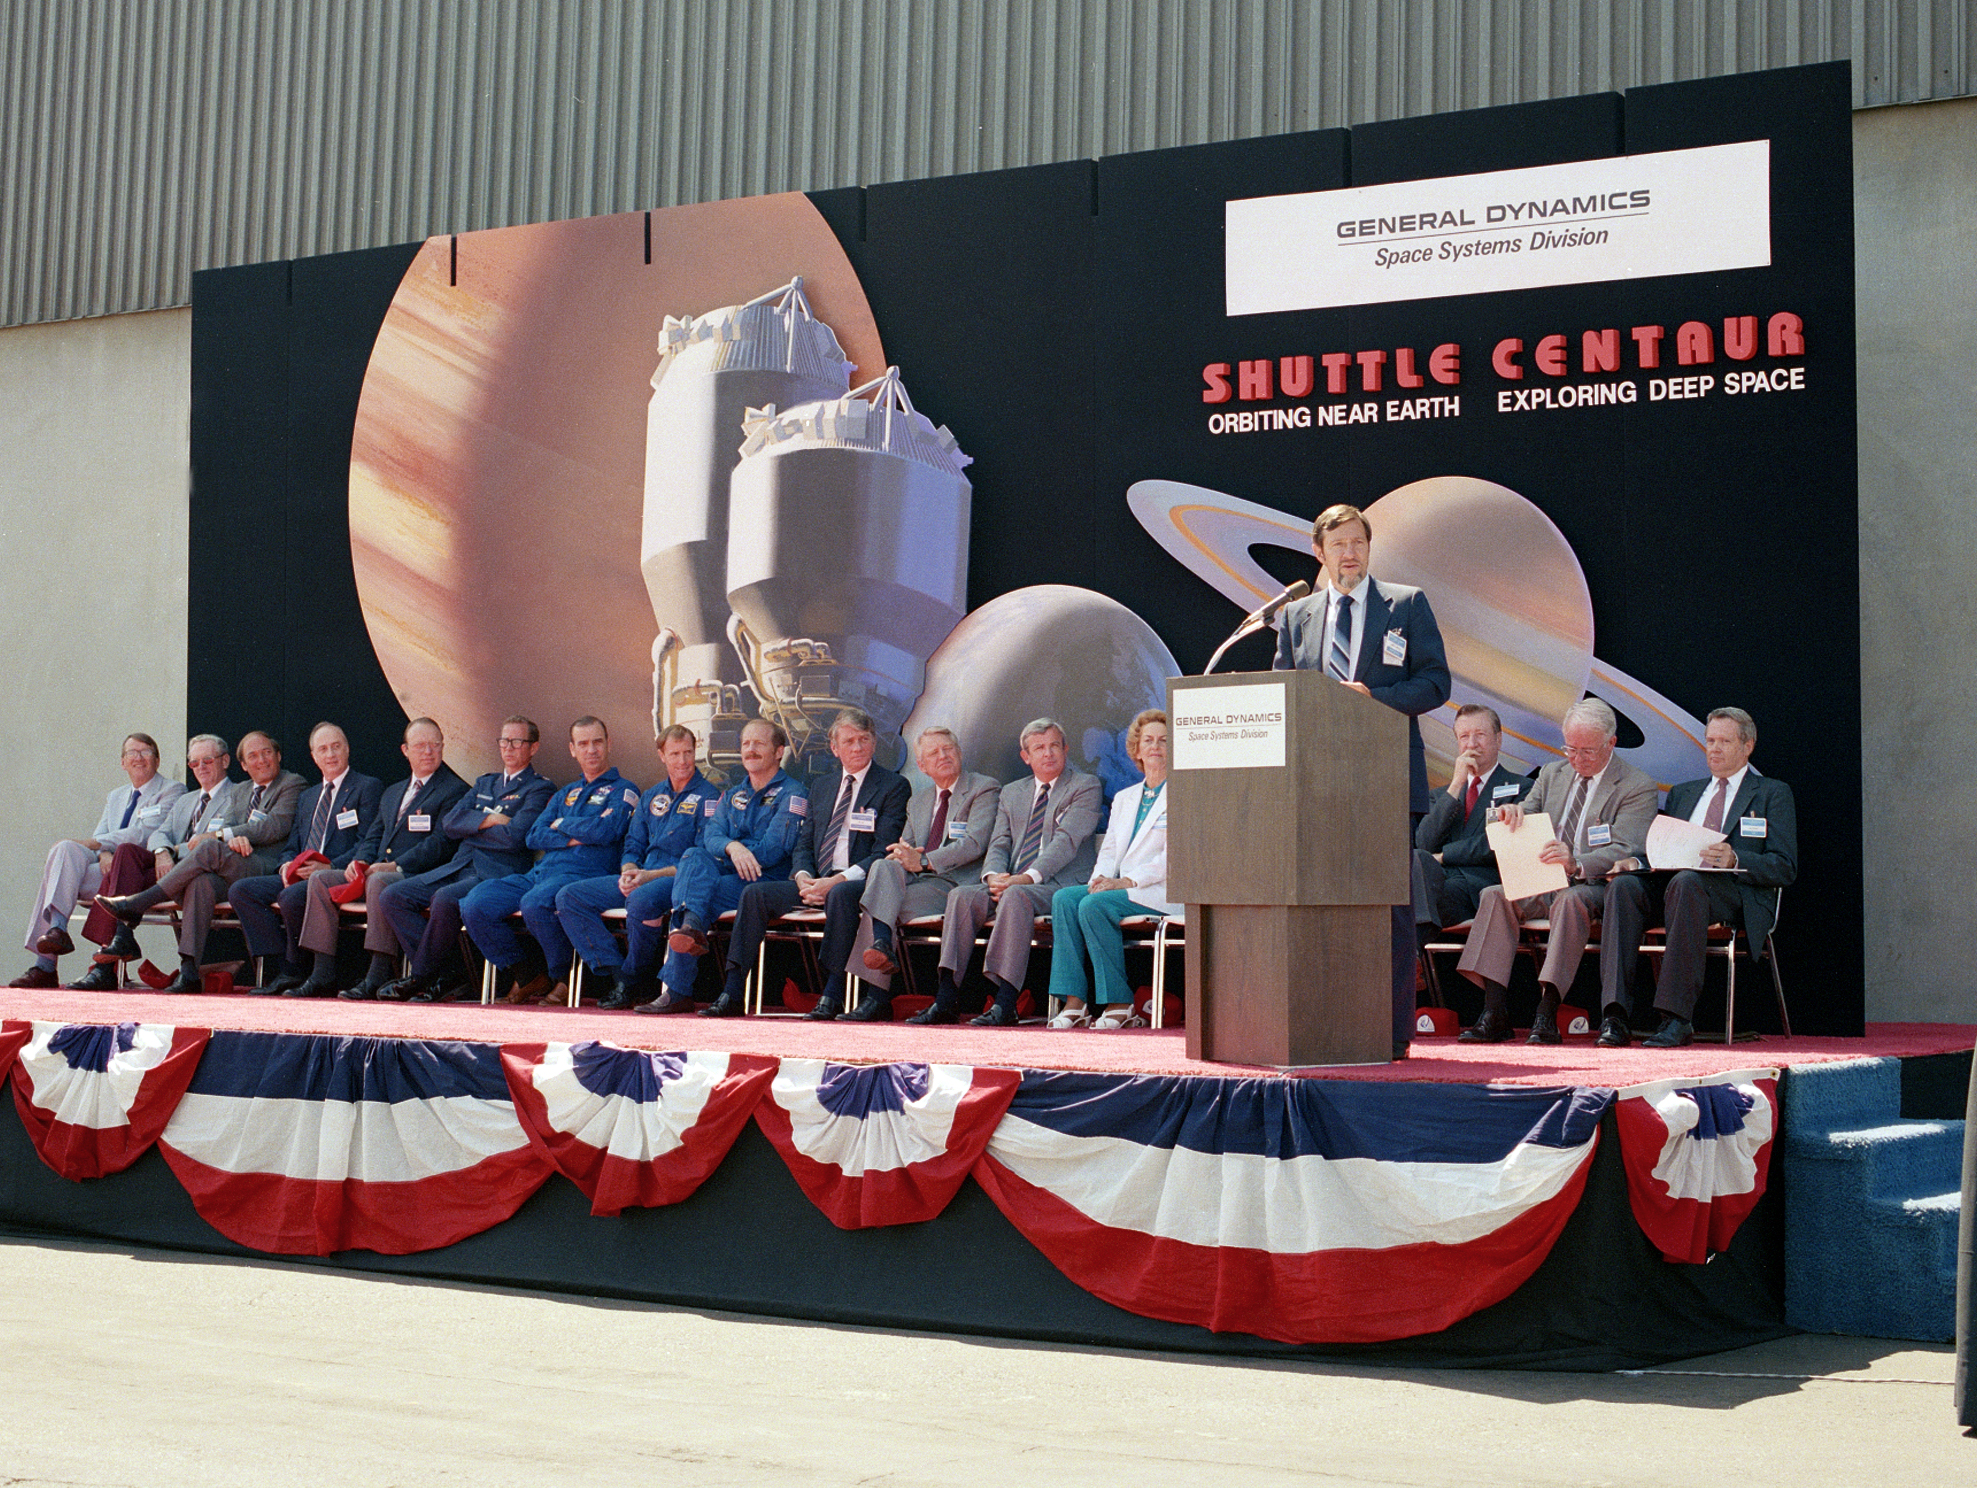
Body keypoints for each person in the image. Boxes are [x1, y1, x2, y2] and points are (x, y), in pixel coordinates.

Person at [1273, 502, 1451, 1059]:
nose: (1350, 554)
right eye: (1340, 545)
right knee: (1319, 905)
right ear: (1318, 552)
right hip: (1315, 783)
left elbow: (1436, 683)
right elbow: (1285, 690)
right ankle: (1325, 1021)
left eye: (1359, 543)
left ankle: (1392, 1031)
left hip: (1385, 778)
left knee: (1387, 908)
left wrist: (1374, 699)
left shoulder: (1405, 603)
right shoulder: (1295, 614)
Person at [1454, 698, 1658, 1044]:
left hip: (1592, 883)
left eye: (1587, 752)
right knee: (1494, 894)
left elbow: (1628, 848)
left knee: (1570, 900)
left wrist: (1576, 860)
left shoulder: (1636, 786)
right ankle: (1494, 1010)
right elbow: (1527, 809)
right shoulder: (1552, 773)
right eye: (1570, 749)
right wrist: (1512, 813)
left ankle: (1547, 1010)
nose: (1576, 759)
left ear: (1611, 742)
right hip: (1543, 878)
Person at [1597, 707, 1798, 1048]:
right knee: (1625, 886)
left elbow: (1784, 866)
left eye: (1724, 741)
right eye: (1709, 741)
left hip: (1732, 892)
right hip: (1675, 887)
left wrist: (1736, 857)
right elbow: (1663, 849)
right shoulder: (1683, 793)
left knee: (1687, 883)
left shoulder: (1771, 793)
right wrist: (1633, 861)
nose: (1714, 749)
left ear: (1747, 746)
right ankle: (1615, 1017)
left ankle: (1677, 1018)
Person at [712, 708, 909, 1022]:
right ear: (835, 748)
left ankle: (831, 993)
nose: (857, 747)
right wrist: (803, 876)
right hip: (814, 880)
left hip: (859, 881)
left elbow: (883, 851)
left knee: (840, 896)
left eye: (863, 739)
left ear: (873, 743)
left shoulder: (893, 786)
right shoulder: (821, 786)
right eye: (849, 741)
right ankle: (733, 990)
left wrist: (837, 881)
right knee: (754, 895)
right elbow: (805, 842)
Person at [914, 717, 1101, 1028]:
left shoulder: (1085, 786)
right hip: (1011, 881)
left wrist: (1025, 878)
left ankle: (1005, 1002)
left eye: (1055, 745)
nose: (1048, 753)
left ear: (1066, 749)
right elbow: (999, 842)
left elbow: (1066, 842)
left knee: (1016, 896)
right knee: (962, 895)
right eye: (1039, 748)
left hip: (1058, 885)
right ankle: (946, 999)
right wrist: (993, 876)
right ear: (1025, 756)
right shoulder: (1013, 792)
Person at [95, 731, 305, 993]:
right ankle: (189, 970)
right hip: (230, 864)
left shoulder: (292, 783)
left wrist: (225, 835)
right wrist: (228, 837)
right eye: (253, 756)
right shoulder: (240, 792)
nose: (260, 760)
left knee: (207, 846)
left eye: (266, 753)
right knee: (201, 883)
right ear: (243, 764)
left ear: (278, 756)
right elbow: (227, 825)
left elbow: (275, 826)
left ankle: (139, 903)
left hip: (263, 866)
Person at [279, 717, 469, 1000]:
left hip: (419, 874)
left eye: (434, 745)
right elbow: (373, 837)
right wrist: (359, 862)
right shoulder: (393, 792)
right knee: (320, 879)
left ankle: (378, 974)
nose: (427, 751)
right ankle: (322, 973)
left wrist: (396, 865)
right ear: (405, 750)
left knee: (379, 881)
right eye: (420, 745)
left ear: (443, 748)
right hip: (379, 868)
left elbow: (440, 844)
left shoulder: (454, 790)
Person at [374, 718, 554, 1003]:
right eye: (504, 741)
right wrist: (491, 819)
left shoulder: (539, 788)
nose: (508, 748)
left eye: (517, 742)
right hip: (460, 865)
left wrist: (473, 828)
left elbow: (516, 837)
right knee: (392, 896)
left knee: (445, 899)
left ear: (533, 748)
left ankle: (420, 977)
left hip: (497, 873)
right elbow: (450, 823)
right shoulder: (486, 782)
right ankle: (447, 975)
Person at [462, 716, 639, 1006]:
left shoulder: (624, 790)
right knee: (475, 903)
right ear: (572, 749)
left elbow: (608, 830)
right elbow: (533, 836)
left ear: (609, 744)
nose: (591, 750)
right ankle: (528, 972)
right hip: (541, 873)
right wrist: (578, 829)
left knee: (535, 903)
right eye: (583, 744)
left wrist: (561, 824)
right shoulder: (565, 793)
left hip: (583, 874)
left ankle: (564, 977)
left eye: (597, 742)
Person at [647, 718, 808, 1017]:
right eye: (746, 744)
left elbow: (775, 848)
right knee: (693, 856)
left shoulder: (793, 793)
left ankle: (678, 989)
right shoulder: (733, 793)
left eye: (759, 743)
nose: (750, 749)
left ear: (779, 751)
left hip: (762, 879)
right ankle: (691, 929)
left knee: (692, 896)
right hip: (729, 871)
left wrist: (739, 853)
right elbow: (711, 836)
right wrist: (733, 848)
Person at [842, 726, 1000, 1022]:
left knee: (878, 905)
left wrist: (924, 861)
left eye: (948, 749)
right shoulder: (918, 801)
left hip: (959, 885)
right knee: (883, 868)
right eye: (933, 753)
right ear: (922, 766)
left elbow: (975, 843)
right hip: (923, 885)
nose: (943, 756)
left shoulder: (983, 788)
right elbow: (906, 846)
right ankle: (881, 947)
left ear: (959, 753)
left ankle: (878, 993)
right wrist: (901, 856)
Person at [552, 724, 713, 1010]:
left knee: (641, 898)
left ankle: (633, 975)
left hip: (677, 879)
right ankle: (618, 976)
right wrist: (629, 870)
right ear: (661, 756)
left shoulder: (710, 798)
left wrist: (647, 876)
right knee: (569, 896)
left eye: (688, 752)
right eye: (675, 754)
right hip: (642, 875)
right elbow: (633, 844)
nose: (683, 761)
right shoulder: (651, 796)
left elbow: (702, 857)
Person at [13, 733, 185, 988]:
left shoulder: (172, 790)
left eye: (145, 752)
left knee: (74, 858)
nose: (138, 758)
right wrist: (103, 852)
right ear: (122, 762)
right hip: (108, 868)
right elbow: (100, 836)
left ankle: (46, 966)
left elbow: (145, 834)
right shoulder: (116, 796)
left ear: (157, 760)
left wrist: (97, 845)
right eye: (131, 753)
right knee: (64, 850)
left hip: (140, 873)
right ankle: (55, 936)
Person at [230, 723, 384, 994]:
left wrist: (329, 866)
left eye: (336, 747)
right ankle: (284, 966)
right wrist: (286, 864)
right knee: (243, 891)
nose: (330, 754)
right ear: (313, 756)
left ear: (347, 749)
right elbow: (293, 844)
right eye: (322, 749)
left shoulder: (367, 787)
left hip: (335, 874)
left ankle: (296, 969)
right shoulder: (308, 796)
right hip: (300, 873)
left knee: (291, 897)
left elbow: (367, 842)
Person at [1046, 709, 1173, 1030]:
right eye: (1148, 740)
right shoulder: (1126, 797)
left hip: (1160, 890)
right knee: (1065, 899)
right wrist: (1099, 880)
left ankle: (1120, 1003)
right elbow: (1112, 849)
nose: (1155, 746)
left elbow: (1175, 858)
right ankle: (1075, 1003)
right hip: (1121, 887)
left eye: (1163, 740)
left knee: (1094, 905)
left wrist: (1126, 881)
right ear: (1137, 749)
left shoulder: (1185, 794)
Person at [1413, 703, 1533, 942]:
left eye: (1480, 735)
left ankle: (1414, 949)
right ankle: (1418, 944)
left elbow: (1496, 845)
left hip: (1480, 887)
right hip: (1438, 884)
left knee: (1410, 904)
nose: (1472, 744)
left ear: (1498, 740)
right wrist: (1456, 784)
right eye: (1464, 737)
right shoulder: (1441, 795)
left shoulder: (1522, 788)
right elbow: (1424, 844)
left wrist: (1445, 855)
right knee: (1416, 861)